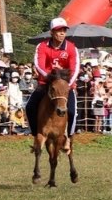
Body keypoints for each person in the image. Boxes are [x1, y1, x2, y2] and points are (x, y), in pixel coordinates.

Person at [25, 17, 80, 150]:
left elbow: (76, 68)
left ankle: (69, 137)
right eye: (58, 30)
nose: (62, 33)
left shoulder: (71, 48)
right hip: (46, 84)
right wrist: (50, 79)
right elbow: (39, 65)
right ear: (52, 32)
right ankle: (35, 134)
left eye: (64, 30)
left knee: (72, 112)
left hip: (65, 87)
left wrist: (67, 84)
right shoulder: (42, 46)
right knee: (29, 107)